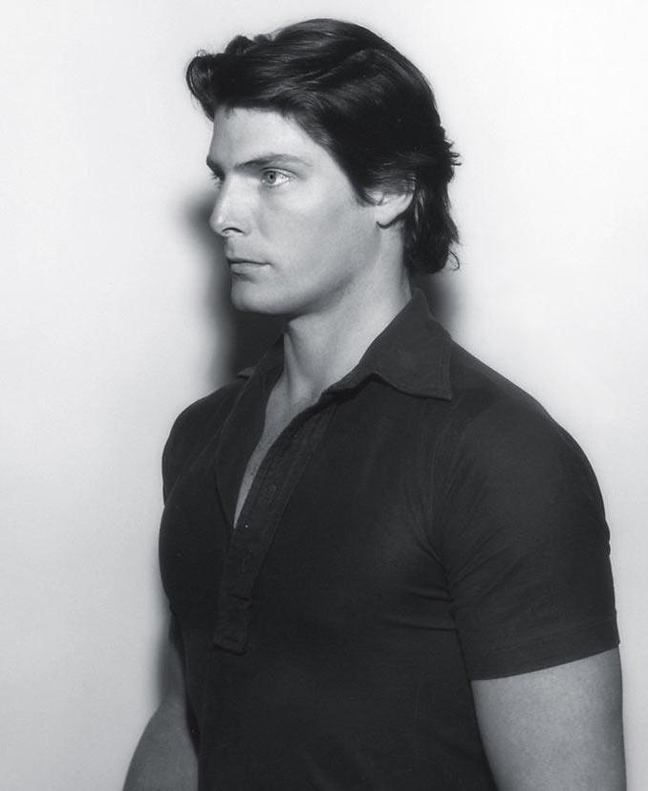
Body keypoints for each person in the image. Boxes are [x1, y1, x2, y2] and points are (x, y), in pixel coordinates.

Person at [123, 18, 625, 791]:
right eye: (222, 175)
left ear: (390, 187)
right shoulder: (202, 434)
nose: (225, 213)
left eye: (272, 175)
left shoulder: (500, 457)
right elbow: (196, 709)